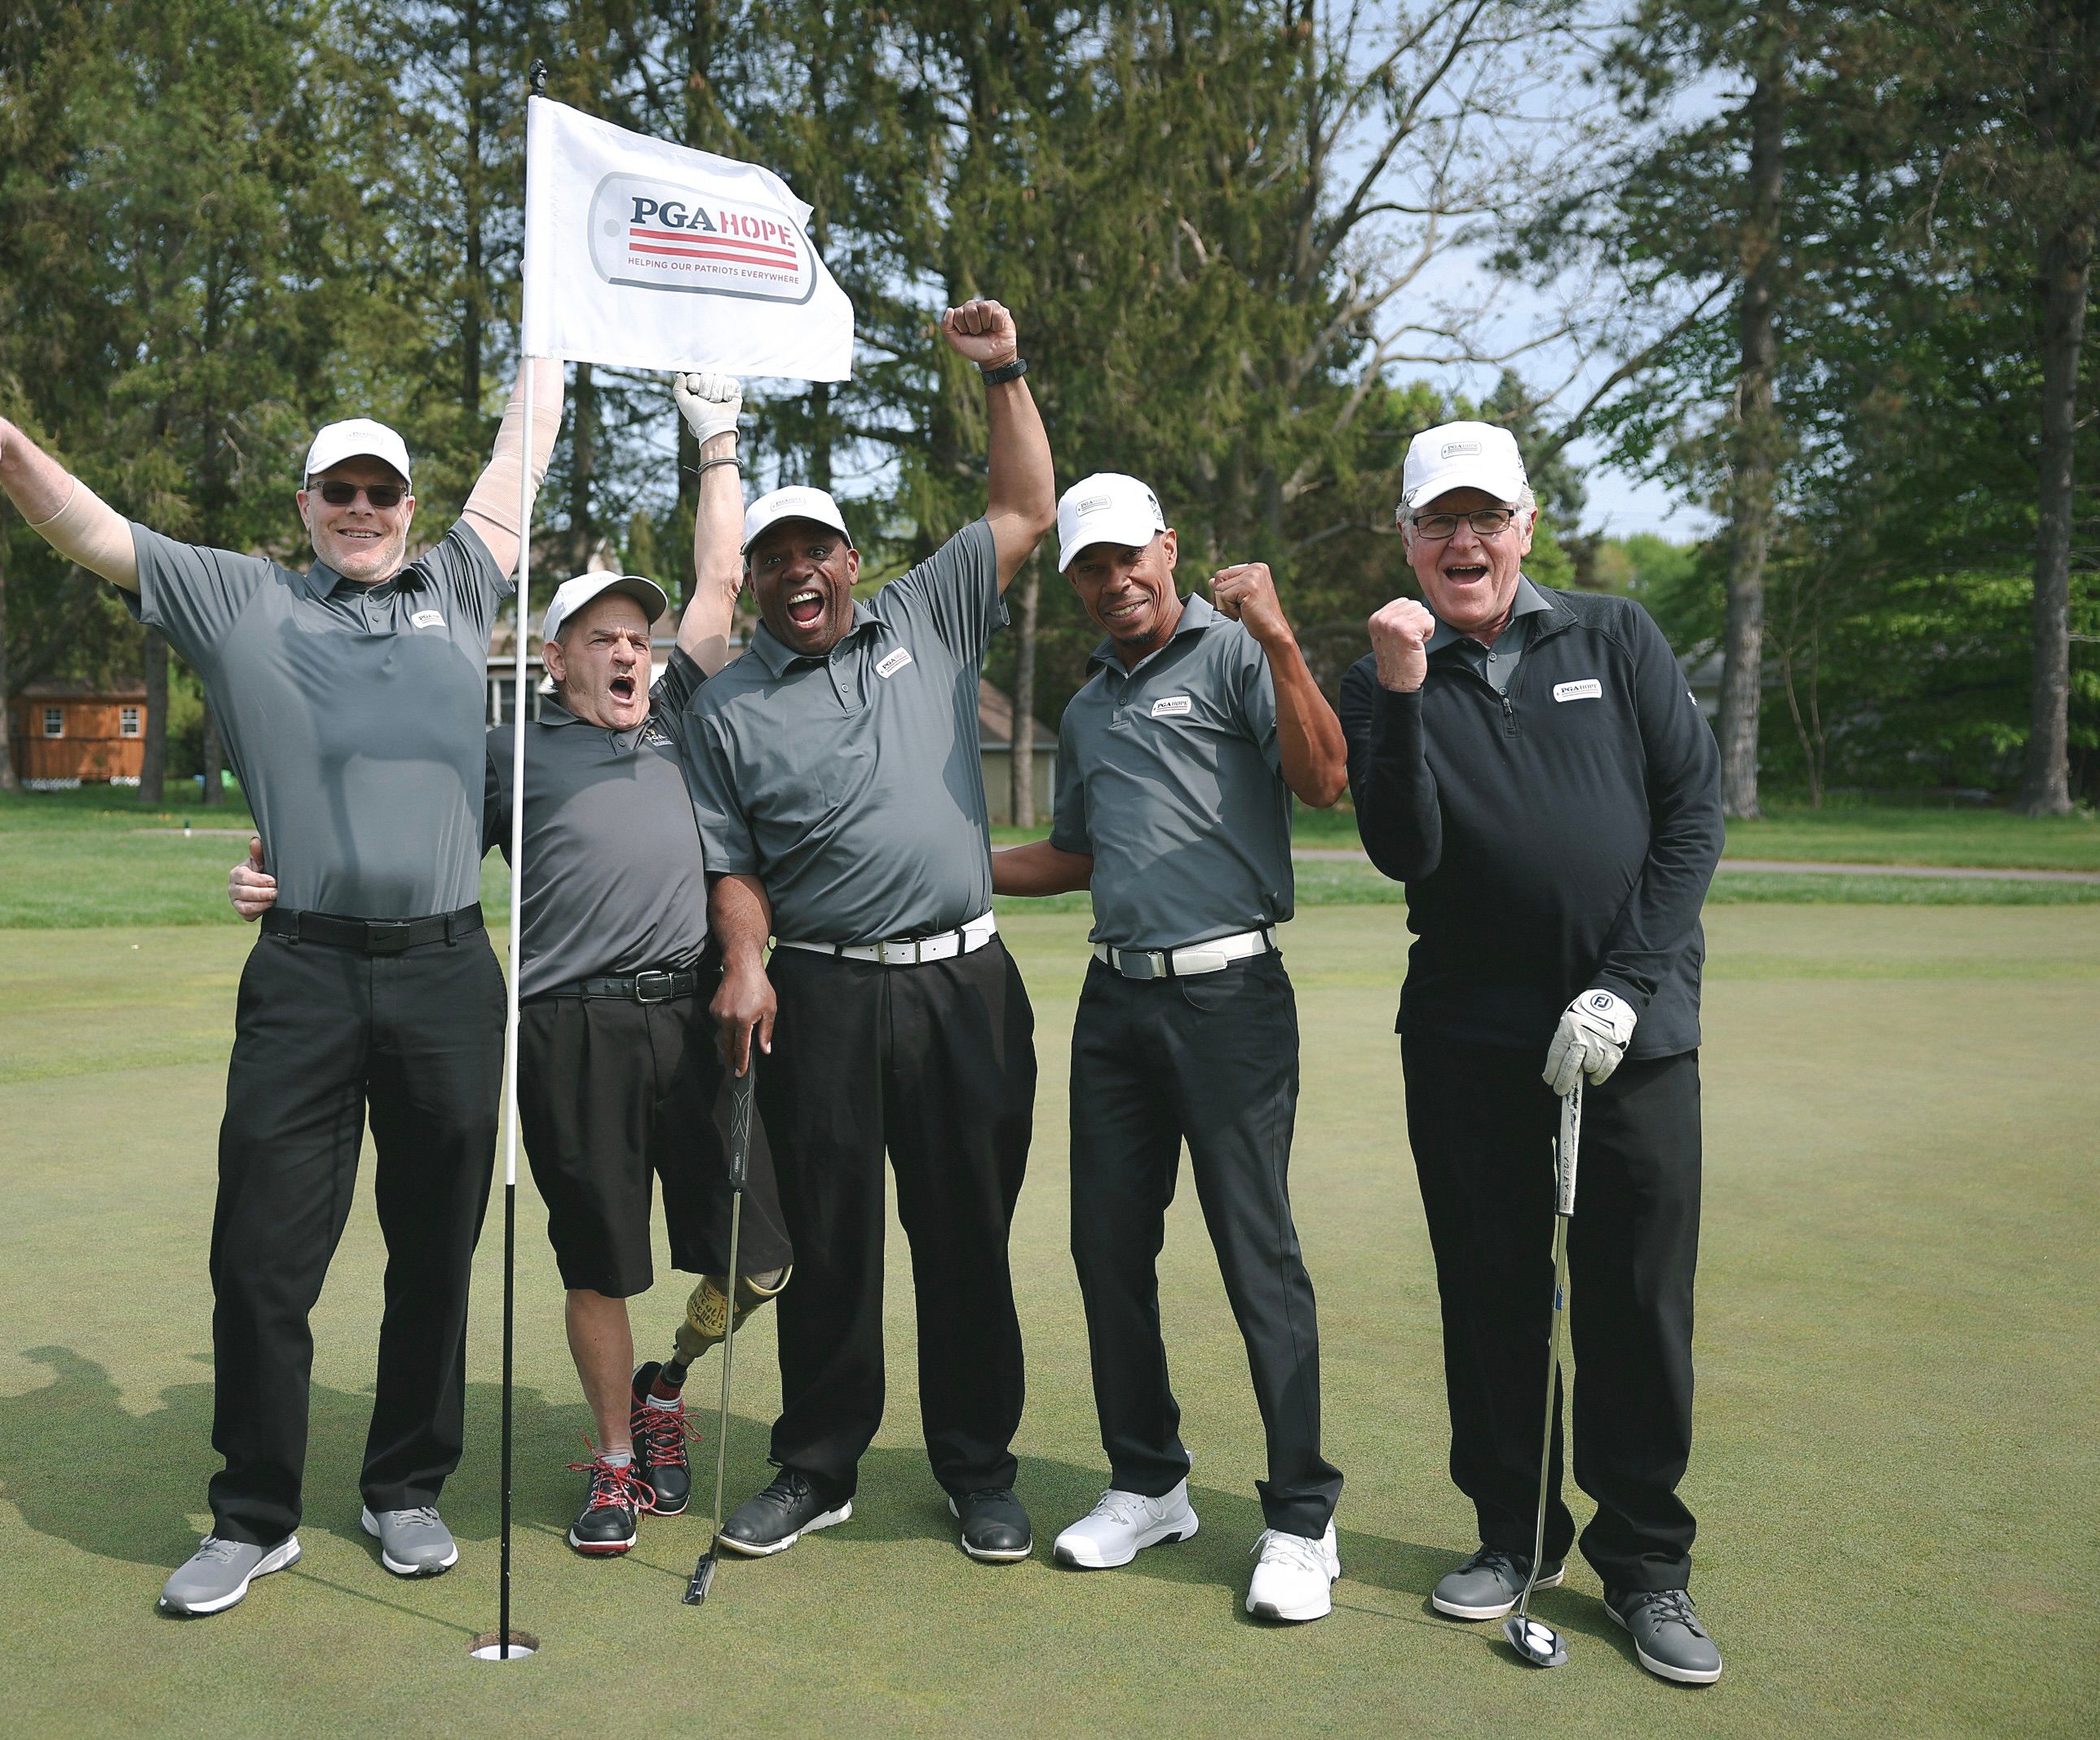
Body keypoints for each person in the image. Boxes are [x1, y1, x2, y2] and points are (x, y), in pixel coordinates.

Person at [0, 358, 563, 1618]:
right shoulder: (241, 598)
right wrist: (4, 432)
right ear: (306, 502)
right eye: (340, 490)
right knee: (261, 1258)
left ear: (410, 504)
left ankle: (404, 1488)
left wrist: (546, 355)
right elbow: (93, 531)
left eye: (382, 490)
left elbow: (519, 456)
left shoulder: (460, 582)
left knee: (436, 1250)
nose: (363, 508)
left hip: (447, 971)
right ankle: (254, 1516)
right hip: (305, 972)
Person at [228, 375, 793, 1561]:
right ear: (556, 657)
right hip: (564, 1030)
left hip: (689, 1022)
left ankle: (666, 1378)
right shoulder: (508, 754)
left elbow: (720, 582)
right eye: (604, 640)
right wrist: (278, 865)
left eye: (638, 639)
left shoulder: (678, 716)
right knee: (599, 1259)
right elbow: (386, 801)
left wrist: (718, 437)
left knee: (761, 1261)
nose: (630, 653)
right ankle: (617, 1457)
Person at [1338, 420, 1726, 1685]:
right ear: (1407, 538)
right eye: (1438, 521)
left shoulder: (1617, 638)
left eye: (1485, 518)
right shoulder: (1379, 675)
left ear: (1526, 526)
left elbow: (1692, 815)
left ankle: (1647, 1564)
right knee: (1491, 1295)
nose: (1464, 541)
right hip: (1469, 1040)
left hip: (1635, 1040)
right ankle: (1514, 1534)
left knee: (1636, 1305)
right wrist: (1403, 691)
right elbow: (1402, 848)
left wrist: (1625, 988)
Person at [679, 299, 1058, 1565]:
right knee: (832, 1243)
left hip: (964, 986)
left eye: (817, 551)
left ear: (850, 560)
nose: (798, 572)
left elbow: (1026, 509)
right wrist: (744, 959)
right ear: (755, 576)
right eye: (773, 556)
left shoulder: (928, 614)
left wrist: (1003, 371)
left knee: (965, 1238)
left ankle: (978, 1469)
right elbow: (732, 865)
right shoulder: (727, 706)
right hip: (826, 996)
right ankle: (818, 1464)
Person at [989, 474, 1353, 1619]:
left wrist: (1281, 639)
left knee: (1256, 1256)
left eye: (1126, 559)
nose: (1113, 582)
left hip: (1230, 999)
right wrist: (946, 863)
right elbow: (1077, 854)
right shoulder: (1087, 707)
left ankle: (1302, 1516)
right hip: (1115, 1004)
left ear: (1169, 550)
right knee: (1105, 1249)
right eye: (1090, 568)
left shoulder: (1239, 654)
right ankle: (1149, 1482)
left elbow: (1324, 780)